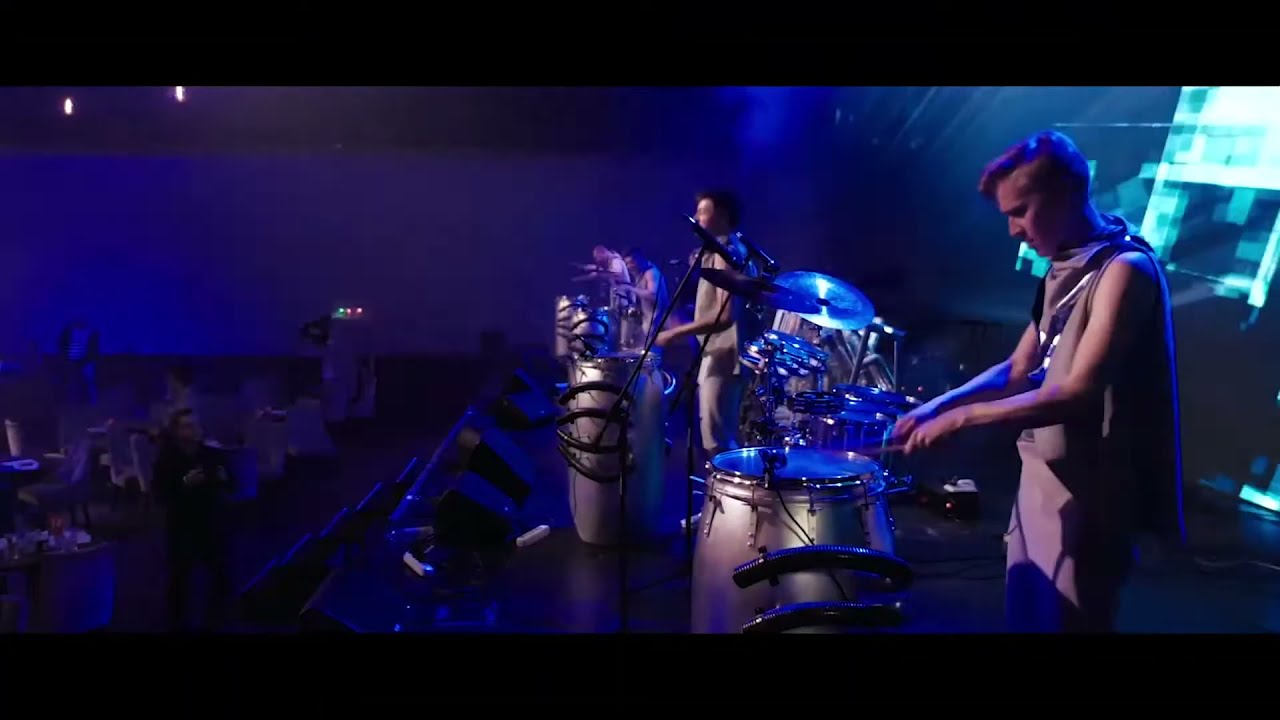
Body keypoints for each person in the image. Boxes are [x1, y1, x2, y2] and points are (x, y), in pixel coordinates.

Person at [891, 130, 1185, 633]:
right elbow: (1018, 368)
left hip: (1092, 493)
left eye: (1021, 211)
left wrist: (963, 419)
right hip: (1043, 478)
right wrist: (937, 406)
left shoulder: (1124, 269)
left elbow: (1078, 393)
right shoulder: (1063, 266)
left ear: (1068, 193)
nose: (1013, 230)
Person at [656, 190, 761, 457]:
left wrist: (674, 333)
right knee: (716, 436)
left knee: (717, 440)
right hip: (718, 353)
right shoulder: (721, 251)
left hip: (726, 355)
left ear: (722, 215)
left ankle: (728, 485)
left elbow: (725, 316)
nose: (697, 218)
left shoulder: (727, 253)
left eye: (703, 211)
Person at [153, 408, 236, 631]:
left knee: (221, 573)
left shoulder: (211, 454)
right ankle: (177, 623)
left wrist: (224, 478)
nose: (194, 430)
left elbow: (232, 483)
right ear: (176, 431)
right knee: (179, 577)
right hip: (181, 523)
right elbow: (160, 494)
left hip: (210, 520)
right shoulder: (167, 459)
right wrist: (185, 484)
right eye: (187, 426)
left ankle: (217, 620)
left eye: (196, 425)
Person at [620, 246, 672, 345]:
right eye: (627, 264)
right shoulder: (641, 273)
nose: (629, 266)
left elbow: (653, 295)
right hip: (649, 324)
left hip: (658, 325)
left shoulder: (651, 273)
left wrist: (630, 288)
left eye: (632, 262)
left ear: (640, 259)